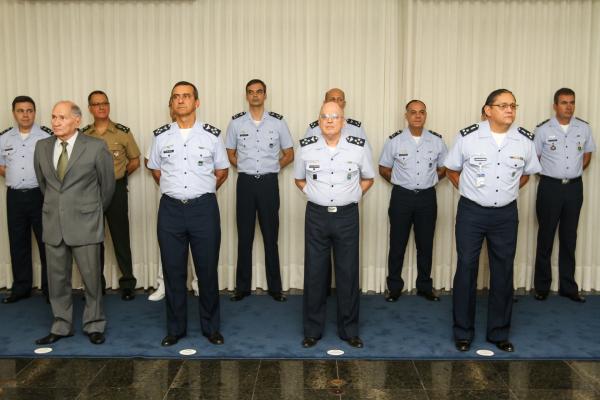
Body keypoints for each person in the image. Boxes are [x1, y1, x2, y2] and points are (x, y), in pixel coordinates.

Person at [445, 89, 541, 353]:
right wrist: (468, 191)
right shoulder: (468, 137)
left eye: (513, 105)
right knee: (466, 269)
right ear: (488, 110)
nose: (510, 110)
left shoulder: (524, 140)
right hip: (471, 213)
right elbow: (452, 169)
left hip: (505, 215)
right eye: (503, 106)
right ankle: (463, 332)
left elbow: (526, 174)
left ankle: (499, 333)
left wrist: (507, 191)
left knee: (503, 270)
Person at [147, 81, 229, 346]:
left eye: (186, 96)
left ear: (197, 102)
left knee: (206, 271)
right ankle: (175, 329)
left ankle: (211, 328)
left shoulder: (212, 135)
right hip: (170, 210)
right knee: (173, 272)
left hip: (203, 209)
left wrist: (201, 191)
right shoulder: (160, 136)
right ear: (171, 104)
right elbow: (156, 170)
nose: (180, 101)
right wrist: (177, 191)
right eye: (176, 97)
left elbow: (222, 171)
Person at [33, 101, 115, 345]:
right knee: (57, 279)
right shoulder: (42, 146)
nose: (56, 122)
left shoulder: (96, 147)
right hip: (53, 223)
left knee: (91, 279)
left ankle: (94, 324)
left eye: (62, 117)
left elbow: (107, 187)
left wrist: (91, 211)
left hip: (86, 223)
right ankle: (61, 325)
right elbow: (44, 184)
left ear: (77, 120)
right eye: (54, 117)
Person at [294, 101, 374, 349]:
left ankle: (349, 330)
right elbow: (299, 179)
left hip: (347, 216)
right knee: (315, 272)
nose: (329, 120)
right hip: (317, 216)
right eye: (324, 116)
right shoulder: (306, 148)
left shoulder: (358, 148)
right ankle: (312, 330)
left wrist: (352, 197)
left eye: (334, 116)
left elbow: (368, 178)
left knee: (348, 273)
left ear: (343, 120)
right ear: (319, 120)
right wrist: (314, 195)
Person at [226, 79, 294, 302]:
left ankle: (275, 288)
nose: (255, 95)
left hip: (268, 184)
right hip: (245, 183)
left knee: (270, 236)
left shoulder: (278, 122)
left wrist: (275, 167)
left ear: (265, 95)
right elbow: (230, 152)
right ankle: (241, 288)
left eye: (259, 92)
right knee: (244, 237)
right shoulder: (236, 123)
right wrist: (245, 167)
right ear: (246, 96)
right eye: (251, 92)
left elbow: (289, 152)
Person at [379, 100, 447, 302]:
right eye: (413, 112)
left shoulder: (436, 141)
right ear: (406, 116)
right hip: (402, 197)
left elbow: (446, 167)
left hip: (427, 197)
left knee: (425, 244)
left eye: (422, 112)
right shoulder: (395, 141)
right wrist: (399, 182)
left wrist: (432, 179)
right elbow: (383, 168)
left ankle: (425, 286)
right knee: (397, 243)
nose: (418, 116)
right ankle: (394, 287)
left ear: (426, 115)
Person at [533, 88, 595, 303]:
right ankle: (541, 287)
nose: (569, 107)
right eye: (564, 102)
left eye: (572, 102)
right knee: (546, 237)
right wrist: (554, 174)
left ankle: (568, 287)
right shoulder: (542, 129)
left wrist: (571, 173)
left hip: (574, 189)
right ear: (555, 106)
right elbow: (534, 158)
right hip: (549, 187)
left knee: (570, 238)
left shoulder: (584, 128)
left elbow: (587, 155)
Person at [82, 90, 140, 300]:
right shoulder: (83, 135)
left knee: (120, 237)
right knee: (93, 239)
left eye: (105, 103)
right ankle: (96, 284)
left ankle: (127, 283)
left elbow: (135, 159)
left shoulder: (122, 132)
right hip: (90, 191)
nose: (101, 107)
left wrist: (121, 176)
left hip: (116, 190)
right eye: (96, 104)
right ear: (90, 109)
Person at [0, 96, 51, 303]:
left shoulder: (46, 136)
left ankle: (50, 289)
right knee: (17, 242)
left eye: (29, 110)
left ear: (35, 112)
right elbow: (2, 165)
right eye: (21, 110)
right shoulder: (4, 138)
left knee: (46, 242)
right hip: (14, 197)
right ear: (14, 113)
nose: (25, 114)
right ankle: (21, 288)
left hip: (39, 195)